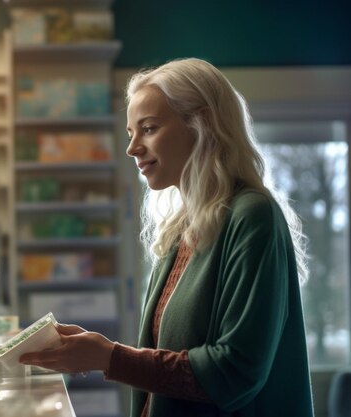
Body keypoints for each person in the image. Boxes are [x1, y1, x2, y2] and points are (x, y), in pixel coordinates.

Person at [18, 58, 314, 417]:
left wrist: (110, 356)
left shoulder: (253, 216)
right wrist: (101, 354)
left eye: (149, 128)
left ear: (202, 124)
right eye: (131, 133)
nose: (133, 148)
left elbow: (235, 372)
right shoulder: (182, 228)